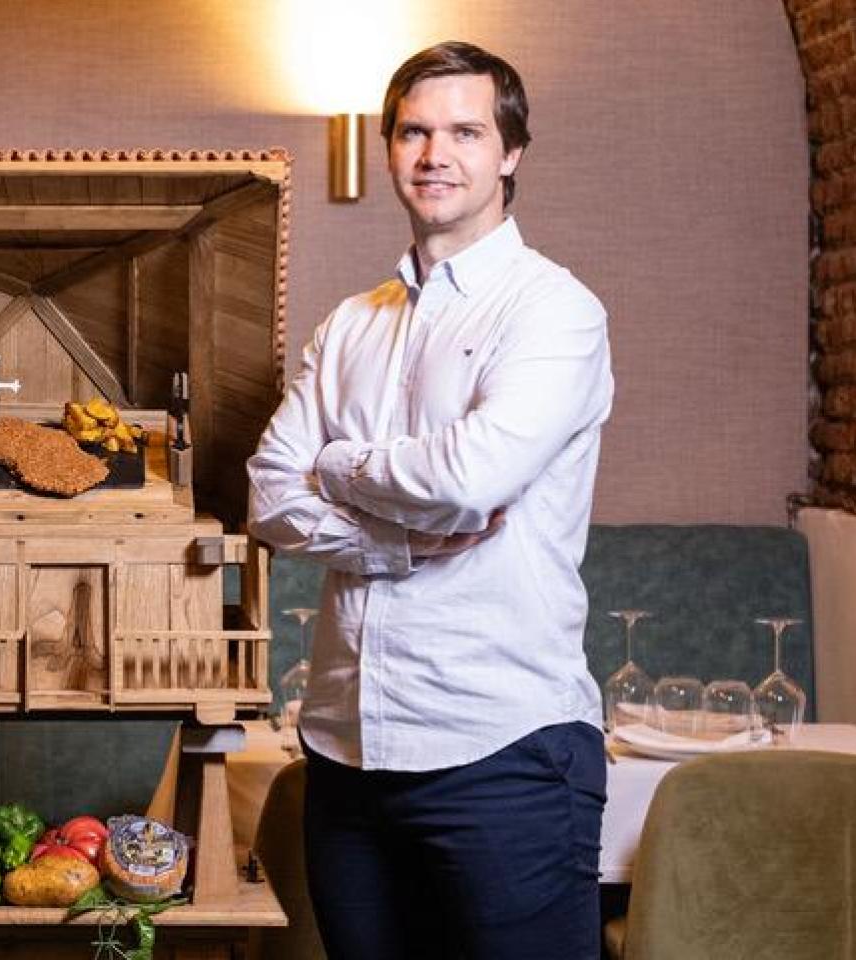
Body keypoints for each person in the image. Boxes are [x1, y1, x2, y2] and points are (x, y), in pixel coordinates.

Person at [247, 42, 613, 959]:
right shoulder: (350, 324)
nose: (435, 154)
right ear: (389, 149)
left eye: (465, 132)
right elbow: (268, 491)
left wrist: (336, 461)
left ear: (510, 152)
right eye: (414, 132)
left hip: (502, 749)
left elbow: (467, 479)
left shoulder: (553, 311)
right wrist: (395, 543)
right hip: (346, 753)